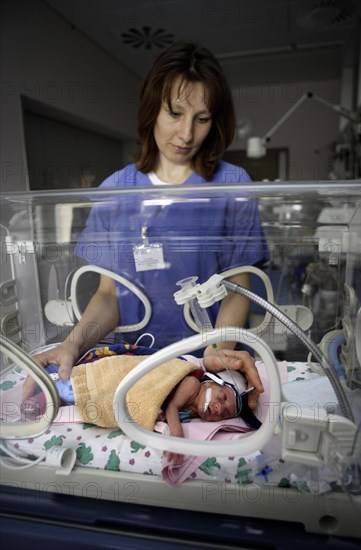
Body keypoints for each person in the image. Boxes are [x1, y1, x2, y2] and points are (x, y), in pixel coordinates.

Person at [26, 42, 268, 409]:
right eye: (175, 113)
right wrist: (72, 344)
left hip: (210, 366)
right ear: (151, 109)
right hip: (138, 363)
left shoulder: (231, 187)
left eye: (201, 119)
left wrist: (217, 353)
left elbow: (238, 287)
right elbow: (110, 296)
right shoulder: (116, 191)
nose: (186, 134)